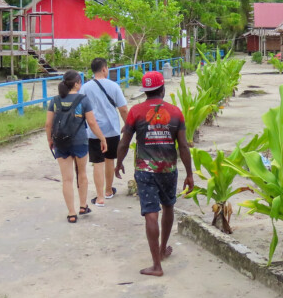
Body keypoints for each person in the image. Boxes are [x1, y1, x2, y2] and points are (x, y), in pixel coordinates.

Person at [115, 70, 194, 277]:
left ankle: (156, 265)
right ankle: (162, 248)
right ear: (163, 89)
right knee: (168, 207)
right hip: (168, 170)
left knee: (151, 213)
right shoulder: (176, 112)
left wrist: (118, 163)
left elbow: (125, 142)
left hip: (145, 171)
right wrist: (189, 174)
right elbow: (183, 147)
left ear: (146, 91)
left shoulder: (135, 112)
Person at [45, 69, 107, 223]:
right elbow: (92, 123)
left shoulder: (55, 100)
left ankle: (71, 213)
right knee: (82, 174)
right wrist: (102, 138)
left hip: (60, 142)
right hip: (80, 141)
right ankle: (83, 205)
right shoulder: (83, 100)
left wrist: (50, 140)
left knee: (67, 179)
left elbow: (48, 124)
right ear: (77, 83)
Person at [81, 58, 128, 207]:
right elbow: (123, 109)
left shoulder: (85, 88)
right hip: (112, 129)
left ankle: (99, 197)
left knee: (97, 163)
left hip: (93, 130)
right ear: (104, 69)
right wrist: (128, 125)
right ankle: (108, 190)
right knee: (110, 159)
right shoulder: (114, 86)